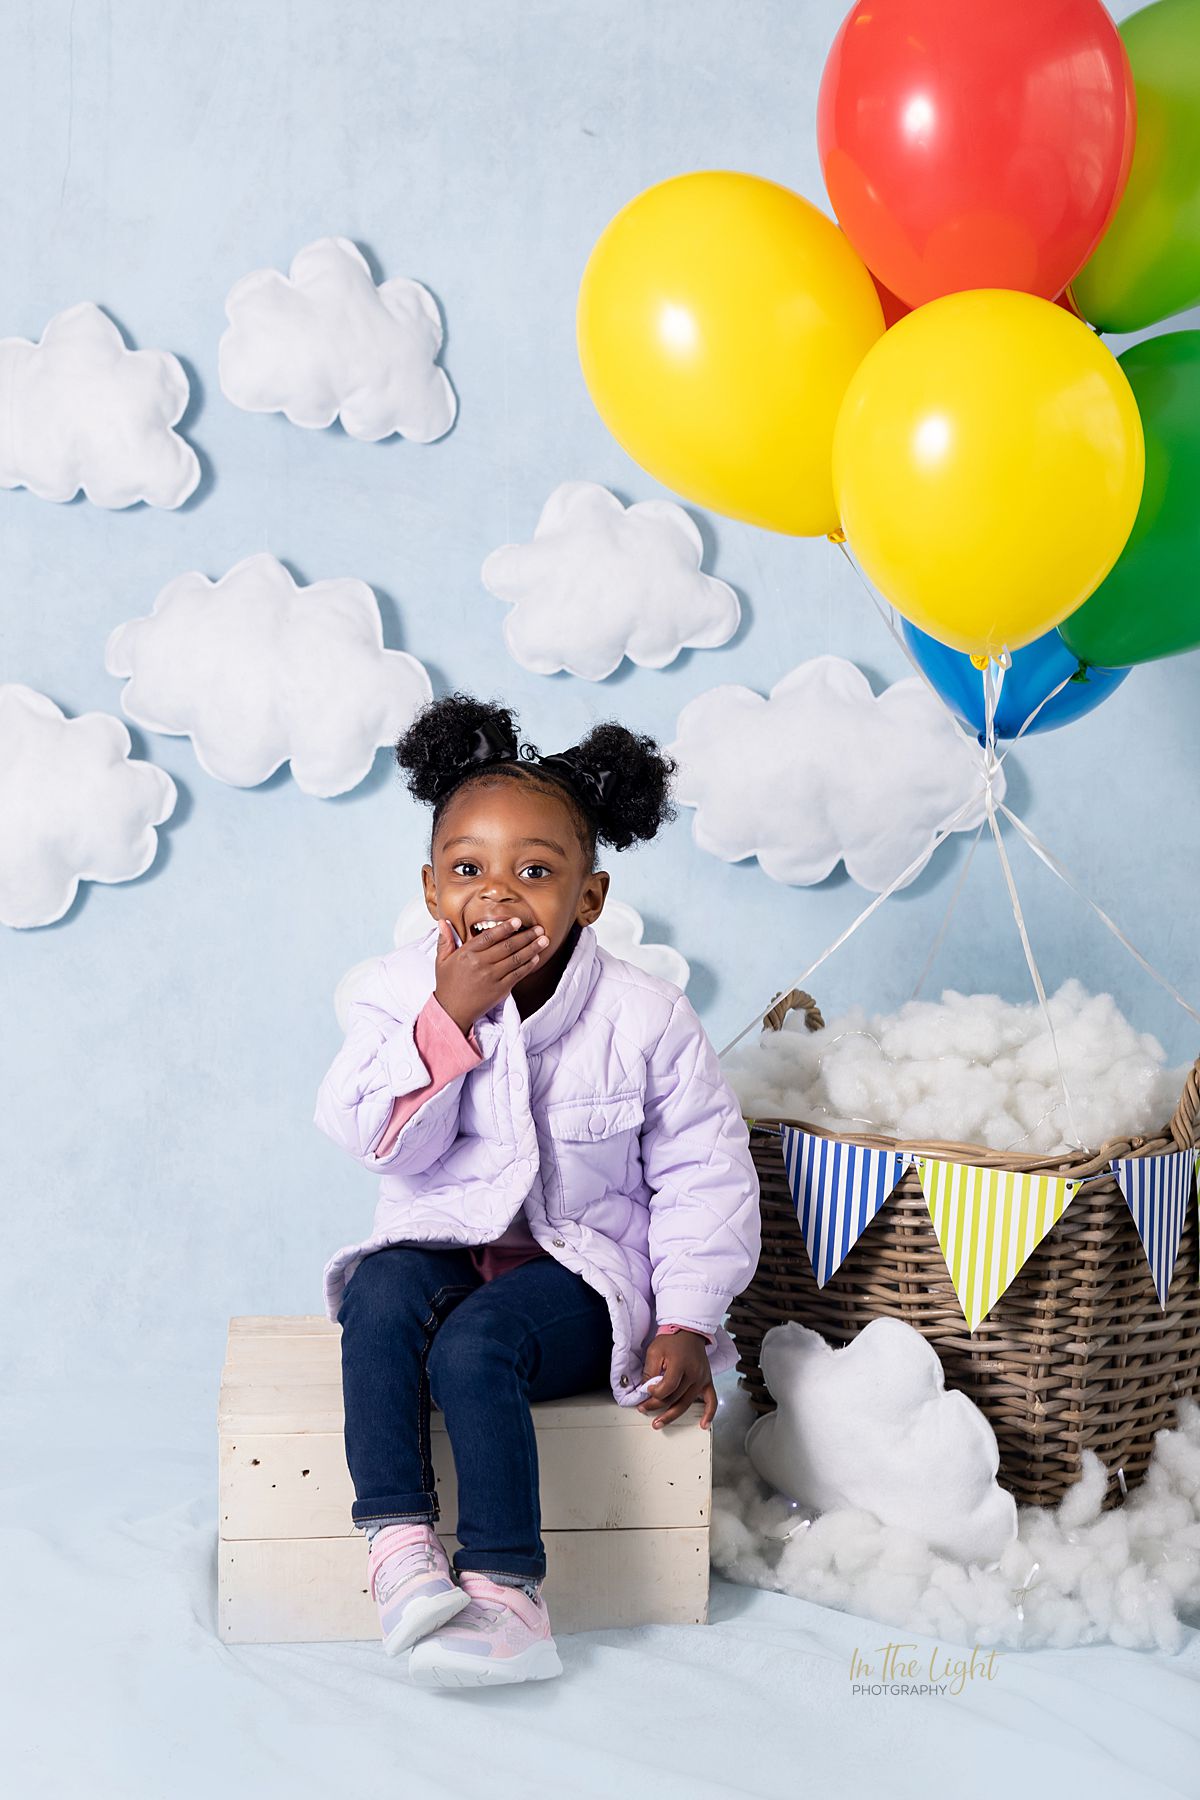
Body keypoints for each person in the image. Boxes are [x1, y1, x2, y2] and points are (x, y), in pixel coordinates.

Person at [316, 691, 760, 1688]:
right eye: (469, 869)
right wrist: (446, 1021)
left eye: (536, 871)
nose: (499, 893)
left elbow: (703, 1170)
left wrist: (686, 1318)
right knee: (379, 1298)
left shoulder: (644, 1016)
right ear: (432, 890)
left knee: (477, 1347)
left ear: (589, 898)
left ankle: (508, 1591)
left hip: (578, 1265)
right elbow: (364, 1135)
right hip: (440, 1233)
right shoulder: (395, 992)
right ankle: (397, 1544)